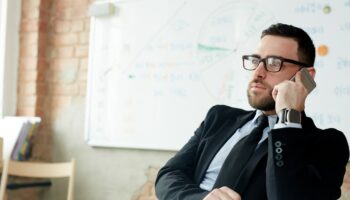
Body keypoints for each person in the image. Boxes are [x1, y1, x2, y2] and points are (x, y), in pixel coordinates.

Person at [155, 23, 349, 200]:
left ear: (306, 76)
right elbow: (169, 175)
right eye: (256, 60)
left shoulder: (328, 144)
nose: (258, 72)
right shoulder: (219, 117)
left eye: (274, 63)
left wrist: (288, 117)